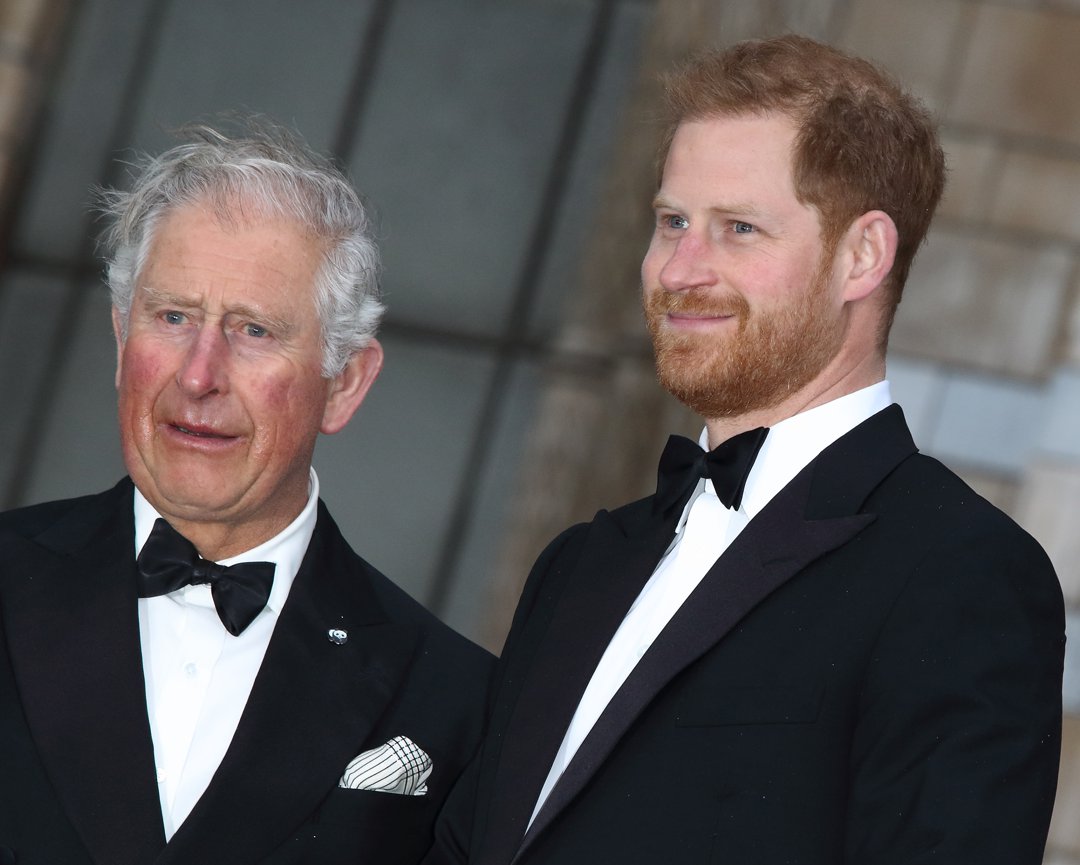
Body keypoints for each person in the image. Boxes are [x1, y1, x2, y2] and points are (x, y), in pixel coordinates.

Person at [426, 35, 1065, 865]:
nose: (682, 269)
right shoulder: (580, 562)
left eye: (738, 228)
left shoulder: (961, 574)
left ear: (862, 255)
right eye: (672, 222)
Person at [0, 120, 492, 865]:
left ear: (345, 383)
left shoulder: (457, 701)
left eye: (254, 330)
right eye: (173, 317)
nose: (199, 375)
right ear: (119, 336)